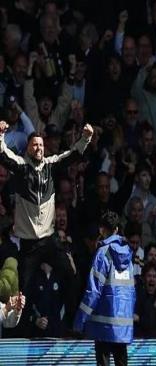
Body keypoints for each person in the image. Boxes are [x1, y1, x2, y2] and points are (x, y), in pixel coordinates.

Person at [0, 120, 93, 326]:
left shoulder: (51, 165)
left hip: (50, 241)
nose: (38, 148)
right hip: (29, 245)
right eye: (34, 145)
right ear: (28, 148)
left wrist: (85, 138)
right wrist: (0, 135)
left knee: (72, 273)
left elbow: (72, 155)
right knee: (22, 289)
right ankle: (19, 328)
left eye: (41, 145)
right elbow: (3, 155)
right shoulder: (22, 166)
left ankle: (72, 323)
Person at [73, 211, 135, 366]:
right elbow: (132, 291)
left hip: (103, 322)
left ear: (102, 229)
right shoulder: (128, 254)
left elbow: (93, 291)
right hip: (122, 323)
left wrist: (80, 320)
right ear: (117, 229)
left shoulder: (102, 253)